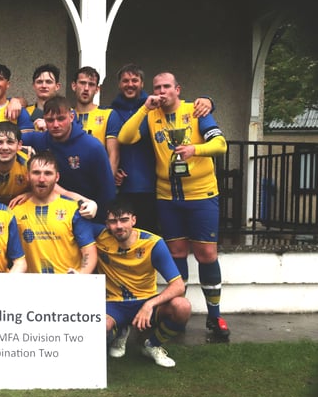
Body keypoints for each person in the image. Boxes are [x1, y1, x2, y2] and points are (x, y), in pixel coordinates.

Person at [117, 71, 230, 339]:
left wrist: (195, 150)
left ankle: (215, 317)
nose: (162, 91)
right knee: (177, 253)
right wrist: (145, 108)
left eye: (167, 86)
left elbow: (221, 144)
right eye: (157, 87)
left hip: (201, 195)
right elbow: (125, 137)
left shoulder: (197, 110)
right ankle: (181, 309)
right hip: (168, 197)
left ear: (177, 89)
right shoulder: (152, 115)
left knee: (206, 256)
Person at [108, 63, 213, 234]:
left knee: (152, 235)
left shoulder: (156, 110)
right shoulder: (111, 112)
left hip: (154, 184)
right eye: (125, 81)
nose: (130, 84)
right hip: (125, 184)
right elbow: (118, 142)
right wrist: (114, 169)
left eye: (135, 80)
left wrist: (208, 101)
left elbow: (180, 109)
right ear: (119, 84)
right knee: (126, 234)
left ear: (142, 84)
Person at [94, 198, 191, 367]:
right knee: (98, 330)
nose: (119, 226)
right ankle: (120, 332)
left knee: (183, 307)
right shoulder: (100, 237)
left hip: (146, 300)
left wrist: (149, 305)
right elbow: (72, 222)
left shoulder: (153, 243)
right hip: (114, 303)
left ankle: (152, 344)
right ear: (106, 224)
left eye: (124, 220)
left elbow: (178, 285)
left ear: (134, 220)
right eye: (113, 221)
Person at [0, 95, 114, 222]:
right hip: (54, 215)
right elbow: (0, 139)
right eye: (50, 120)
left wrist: (103, 221)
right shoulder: (39, 139)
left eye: (61, 119)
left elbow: (107, 191)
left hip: (87, 214)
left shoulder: (93, 147)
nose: (56, 125)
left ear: (71, 117)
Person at [12, 150, 96, 274]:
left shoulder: (74, 210)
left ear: (57, 177)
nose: (41, 179)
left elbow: (89, 251)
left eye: (48, 173)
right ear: (28, 176)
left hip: (67, 284)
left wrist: (80, 277)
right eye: (36, 173)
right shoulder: (15, 211)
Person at [71, 66, 119, 175]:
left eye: (91, 84)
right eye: (82, 83)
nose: (86, 88)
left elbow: (114, 155)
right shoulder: (66, 115)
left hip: (98, 179)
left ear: (97, 89)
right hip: (71, 181)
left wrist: (108, 185)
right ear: (74, 86)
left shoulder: (108, 114)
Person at [0, 121, 30, 205]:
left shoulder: (29, 165)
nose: (5, 147)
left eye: (10, 142)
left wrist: (31, 194)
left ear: (19, 145)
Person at [26, 63, 61, 130]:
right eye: (39, 82)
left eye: (48, 82)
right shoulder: (25, 113)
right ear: (33, 86)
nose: (44, 86)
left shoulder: (67, 112)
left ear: (57, 86)